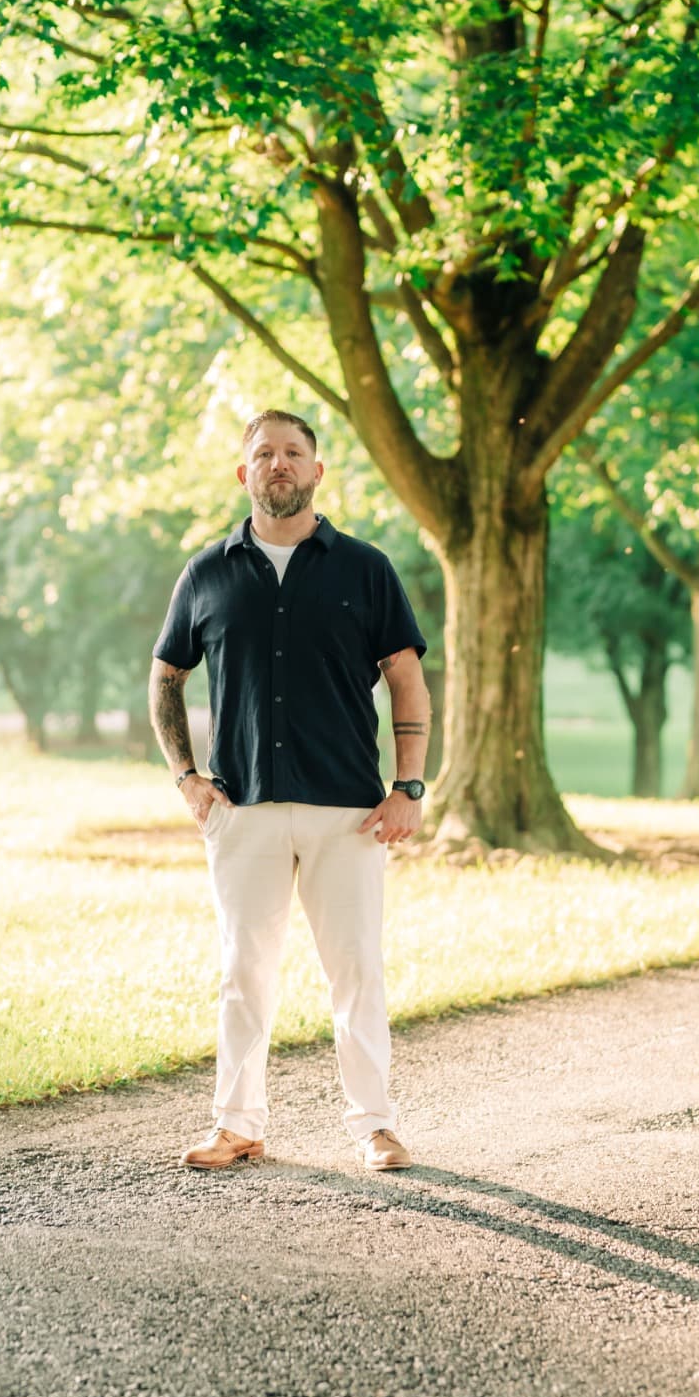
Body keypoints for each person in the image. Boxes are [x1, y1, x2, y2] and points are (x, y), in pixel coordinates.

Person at [149, 408, 431, 1173]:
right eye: (265, 453)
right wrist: (186, 778)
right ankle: (237, 1125)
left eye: (294, 452)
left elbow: (406, 678)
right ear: (244, 473)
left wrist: (408, 784)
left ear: (316, 471)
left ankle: (375, 1126)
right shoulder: (207, 572)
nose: (280, 463)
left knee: (356, 971)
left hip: (350, 812)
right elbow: (166, 677)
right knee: (244, 972)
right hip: (243, 811)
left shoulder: (365, 569)